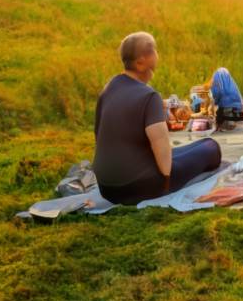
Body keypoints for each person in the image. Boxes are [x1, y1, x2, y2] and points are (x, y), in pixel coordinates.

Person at [92, 32, 221, 205]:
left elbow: (98, 133)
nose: (157, 55)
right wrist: (166, 182)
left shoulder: (110, 87)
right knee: (210, 146)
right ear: (141, 62)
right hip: (138, 186)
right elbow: (160, 144)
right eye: (154, 51)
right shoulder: (149, 96)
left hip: (106, 187)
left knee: (192, 147)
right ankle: (166, 182)